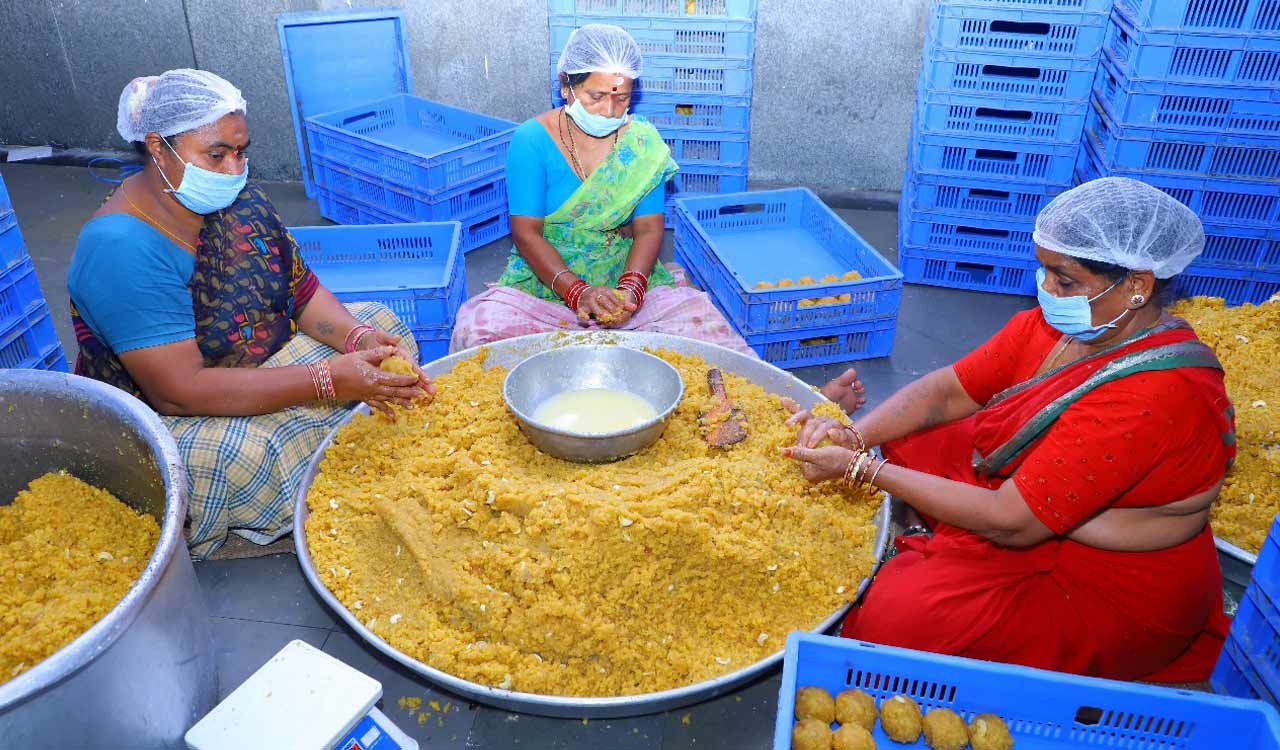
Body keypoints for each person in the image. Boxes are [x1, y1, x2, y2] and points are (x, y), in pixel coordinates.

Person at [784, 177, 1234, 682]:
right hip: (1032, 501)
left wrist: (863, 469)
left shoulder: (1153, 396)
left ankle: (932, 547)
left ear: (1137, 287)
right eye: (1044, 270)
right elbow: (945, 393)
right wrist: (857, 435)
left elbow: (1012, 522)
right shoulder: (1060, 328)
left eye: (1065, 281)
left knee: (899, 617)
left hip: (1102, 576)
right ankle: (934, 533)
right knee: (913, 433)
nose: (1047, 290)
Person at [69, 69, 432, 558]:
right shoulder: (120, 248)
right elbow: (178, 392)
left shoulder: (239, 201)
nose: (233, 169)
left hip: (255, 362)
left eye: (241, 152)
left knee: (384, 326)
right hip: (170, 412)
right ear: (157, 147)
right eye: (216, 155)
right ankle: (297, 471)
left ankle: (326, 442)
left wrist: (356, 338)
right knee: (242, 456)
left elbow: (301, 293)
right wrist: (327, 381)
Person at [449, 24, 754, 355]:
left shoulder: (641, 144)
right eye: (595, 97)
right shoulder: (532, 140)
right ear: (566, 84)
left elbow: (648, 228)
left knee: (708, 343)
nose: (609, 111)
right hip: (547, 274)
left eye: (621, 98)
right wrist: (577, 292)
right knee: (480, 338)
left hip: (621, 266)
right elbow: (526, 234)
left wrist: (631, 292)